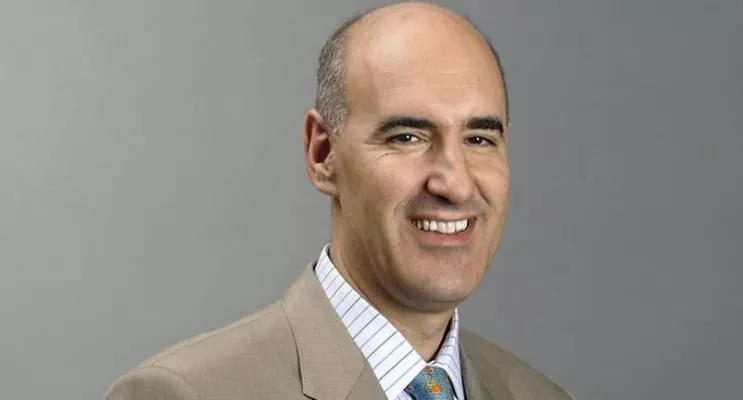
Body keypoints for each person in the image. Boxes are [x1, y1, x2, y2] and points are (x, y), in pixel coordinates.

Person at [105, 2, 572, 399]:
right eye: (407, 137)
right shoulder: (187, 393)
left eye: (479, 139)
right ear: (323, 154)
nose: (456, 184)